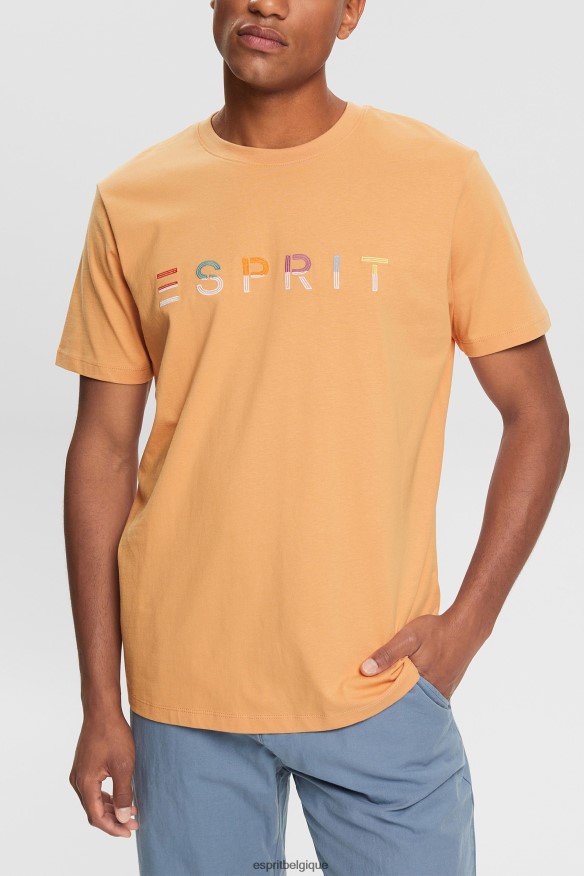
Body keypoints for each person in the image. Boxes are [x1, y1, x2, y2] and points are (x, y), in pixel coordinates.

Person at [54, 1, 570, 874]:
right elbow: (102, 449)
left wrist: (467, 627)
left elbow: (538, 416)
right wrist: (100, 698)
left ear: (351, 13)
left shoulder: (438, 179)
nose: (266, 3)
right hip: (185, 695)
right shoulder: (133, 200)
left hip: (377, 684)